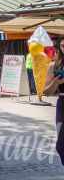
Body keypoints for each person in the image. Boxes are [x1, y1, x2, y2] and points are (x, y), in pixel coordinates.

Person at [44, 37, 64, 165]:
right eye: (62, 45)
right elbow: (46, 92)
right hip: (62, 104)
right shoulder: (54, 65)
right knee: (61, 145)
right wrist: (57, 82)